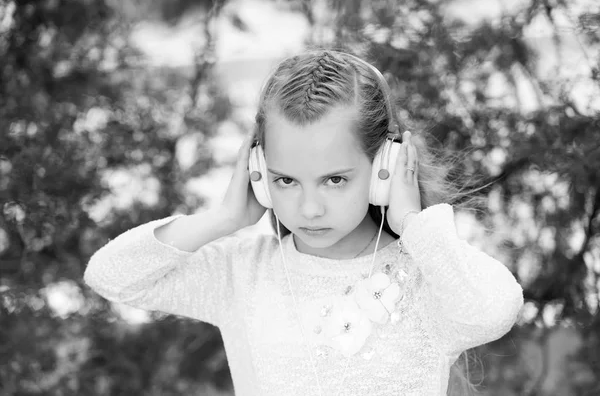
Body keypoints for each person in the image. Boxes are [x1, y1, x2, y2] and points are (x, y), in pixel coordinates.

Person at [84, 50, 524, 396]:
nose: (309, 208)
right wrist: (224, 218)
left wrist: (411, 222)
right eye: (286, 180)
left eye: (335, 180)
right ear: (258, 172)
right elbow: (112, 276)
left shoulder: (431, 275)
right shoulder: (242, 273)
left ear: (383, 169)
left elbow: (494, 312)